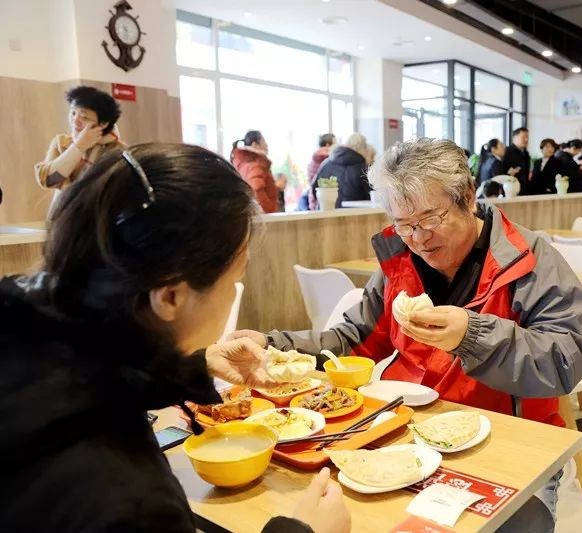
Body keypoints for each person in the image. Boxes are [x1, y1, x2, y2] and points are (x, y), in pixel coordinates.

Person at [227, 138, 582, 532]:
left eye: (429, 220)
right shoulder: (399, 260)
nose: (418, 239)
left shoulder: (526, 260)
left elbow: (566, 360)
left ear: (468, 198)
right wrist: (276, 347)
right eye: (404, 225)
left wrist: (472, 336)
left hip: (510, 445)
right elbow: (354, 340)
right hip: (406, 436)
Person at [2, 143, 351, 532]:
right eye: (234, 278)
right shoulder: (126, 501)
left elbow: (92, 375)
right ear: (170, 296)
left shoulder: (23, 314)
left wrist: (191, 367)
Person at [35, 85, 124, 218]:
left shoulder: (118, 151)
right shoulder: (62, 143)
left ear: (103, 123)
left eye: (84, 117)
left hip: (98, 223)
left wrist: (67, 184)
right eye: (73, 113)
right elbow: (49, 179)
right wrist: (78, 147)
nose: (75, 121)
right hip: (62, 220)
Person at [309, 133, 370, 209]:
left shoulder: (326, 164)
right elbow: (371, 197)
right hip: (354, 217)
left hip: (327, 216)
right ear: (362, 149)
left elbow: (315, 189)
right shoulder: (363, 169)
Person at [230, 130, 280, 214]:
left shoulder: (245, 163)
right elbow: (256, 191)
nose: (267, 145)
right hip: (265, 218)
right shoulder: (255, 165)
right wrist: (270, 210)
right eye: (263, 141)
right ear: (254, 145)